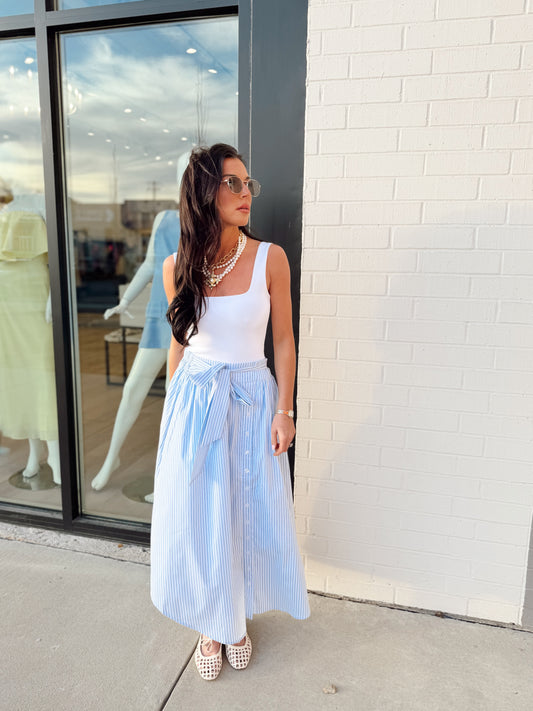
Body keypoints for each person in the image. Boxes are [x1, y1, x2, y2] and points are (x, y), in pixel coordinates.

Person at [150, 143, 310, 681]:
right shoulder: (177, 266)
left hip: (251, 399)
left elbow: (283, 340)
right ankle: (210, 621)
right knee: (199, 515)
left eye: (248, 184)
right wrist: (171, 414)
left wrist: (285, 410)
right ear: (204, 192)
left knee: (243, 512)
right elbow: (180, 344)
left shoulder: (270, 258)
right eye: (233, 183)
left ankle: (234, 619)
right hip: (195, 401)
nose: (246, 193)